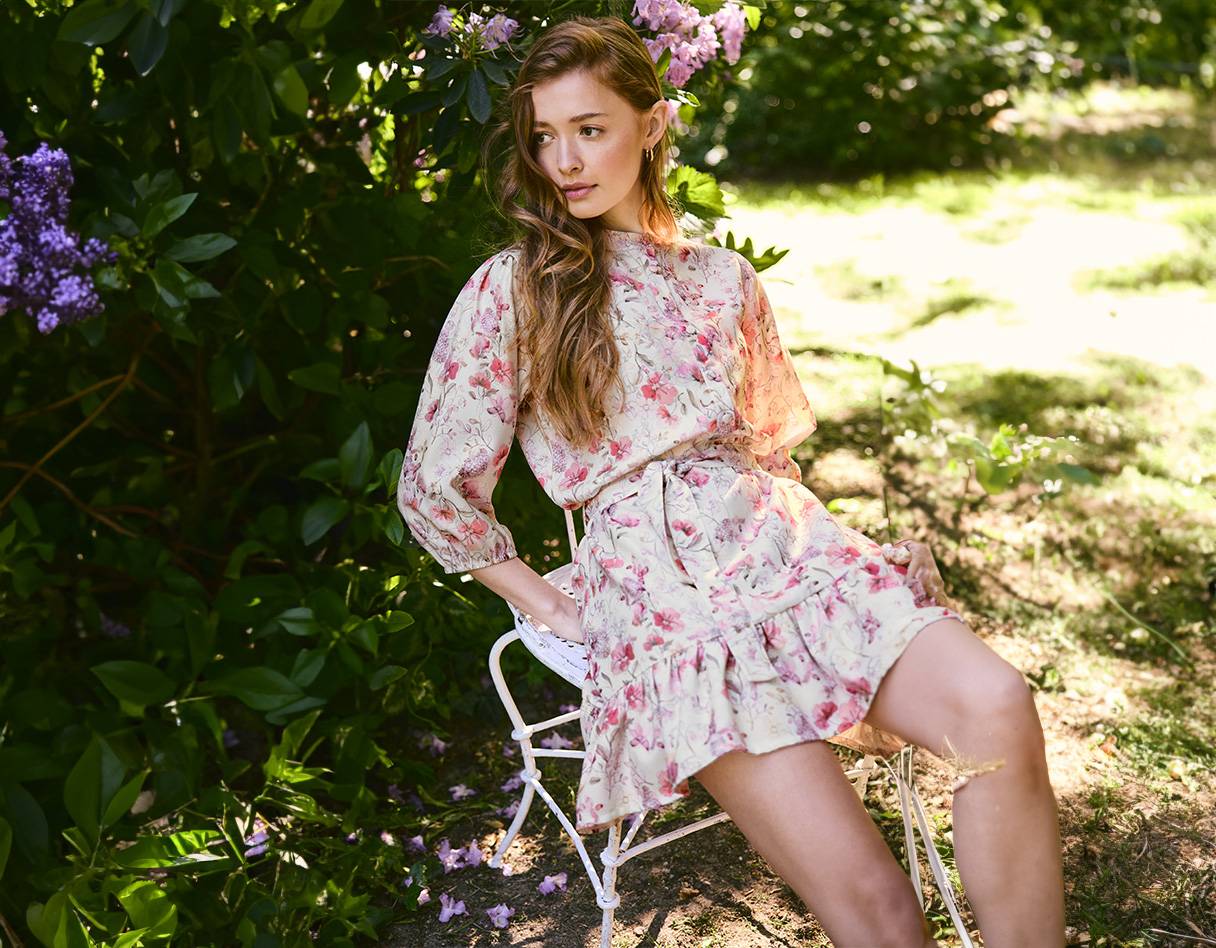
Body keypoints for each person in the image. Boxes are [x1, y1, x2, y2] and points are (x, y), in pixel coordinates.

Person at [397, 14, 1065, 948]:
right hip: (664, 598)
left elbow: (766, 454)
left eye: (590, 129)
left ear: (652, 125)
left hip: (784, 547)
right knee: (882, 916)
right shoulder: (516, 287)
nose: (565, 161)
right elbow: (433, 487)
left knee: (999, 708)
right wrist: (550, 605)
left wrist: (855, 551)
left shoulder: (725, 280)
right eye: (544, 137)